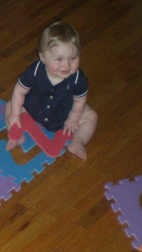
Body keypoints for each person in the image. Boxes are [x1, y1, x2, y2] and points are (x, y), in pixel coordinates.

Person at [5, 22, 97, 160]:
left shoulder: (78, 78)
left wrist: (73, 119)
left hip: (64, 114)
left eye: (73, 58)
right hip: (33, 109)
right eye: (59, 59)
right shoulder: (35, 70)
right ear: (42, 58)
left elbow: (80, 100)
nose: (66, 64)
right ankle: (17, 137)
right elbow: (19, 91)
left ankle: (77, 142)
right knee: (10, 106)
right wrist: (15, 114)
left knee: (91, 116)